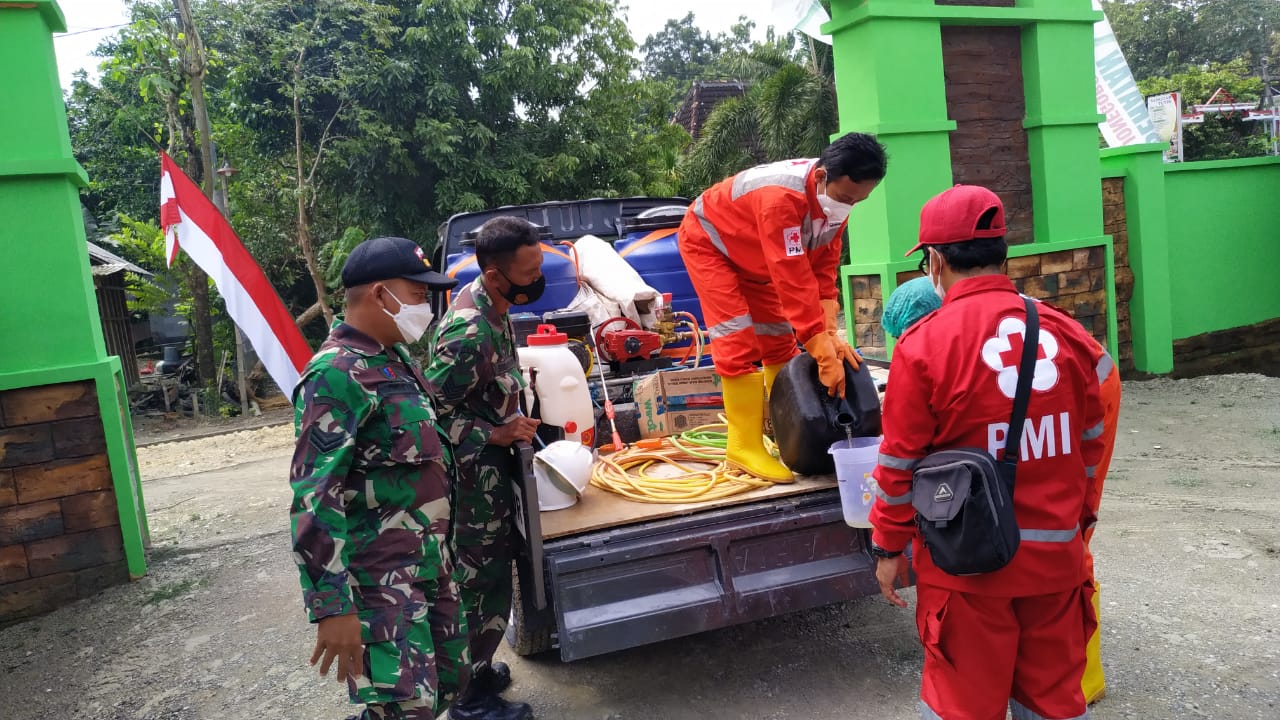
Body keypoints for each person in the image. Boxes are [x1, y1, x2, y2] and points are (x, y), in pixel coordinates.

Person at [868, 185, 1115, 720]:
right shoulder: (1070, 335)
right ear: (1004, 253)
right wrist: (1079, 523)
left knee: (962, 706)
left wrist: (888, 548)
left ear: (935, 261)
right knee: (1054, 702)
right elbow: (1092, 445)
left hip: (966, 574)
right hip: (1055, 564)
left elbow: (898, 464)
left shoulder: (924, 346)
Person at [289, 236, 467, 720]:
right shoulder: (336, 374)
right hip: (380, 584)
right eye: (417, 294)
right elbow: (314, 496)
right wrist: (332, 607)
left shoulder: (395, 360)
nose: (426, 308)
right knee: (405, 707)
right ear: (378, 293)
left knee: (448, 684)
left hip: (428, 564)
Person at [678, 132, 888, 481]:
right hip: (712, 244)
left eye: (858, 201)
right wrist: (821, 352)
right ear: (822, 177)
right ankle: (742, 447)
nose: (850, 206)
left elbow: (822, 270)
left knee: (778, 344)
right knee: (738, 341)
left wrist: (830, 334)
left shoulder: (836, 203)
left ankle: (786, 436)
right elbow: (792, 278)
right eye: (847, 197)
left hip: (757, 257)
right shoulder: (780, 199)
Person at [424, 217, 542, 720]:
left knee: (495, 574)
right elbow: (430, 415)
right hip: (471, 481)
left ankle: (478, 667)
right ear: (495, 275)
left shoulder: (495, 309)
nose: (538, 278)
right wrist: (495, 433)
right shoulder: (468, 331)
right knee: (477, 581)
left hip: (492, 473)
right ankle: (466, 700)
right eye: (529, 270)